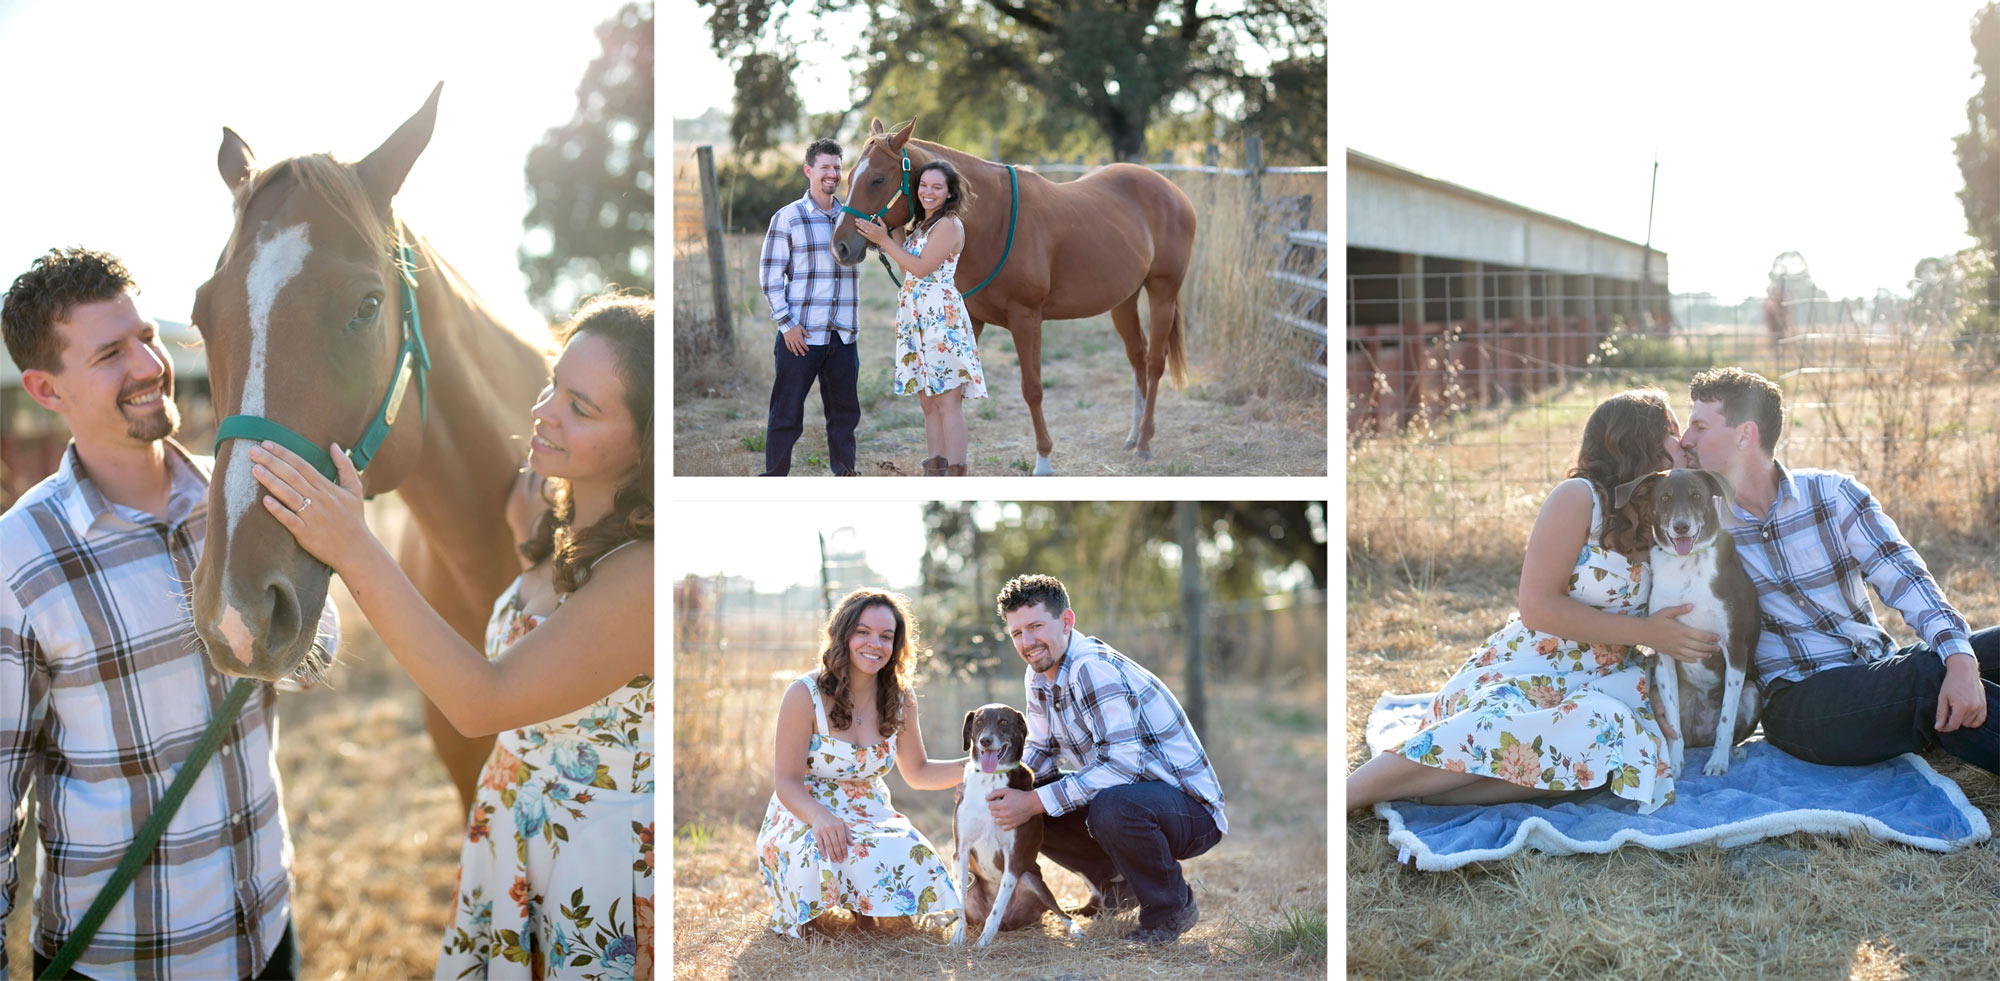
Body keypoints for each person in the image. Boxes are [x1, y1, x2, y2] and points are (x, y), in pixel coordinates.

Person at [246, 293, 655, 979]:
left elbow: (480, 701)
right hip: (519, 841)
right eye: (553, 385)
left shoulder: (640, 576)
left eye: (581, 408)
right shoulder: (560, 535)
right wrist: (533, 558)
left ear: (645, 444)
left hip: (593, 869)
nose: (543, 413)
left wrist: (355, 547)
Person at [0, 247, 339, 979]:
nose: (150, 364)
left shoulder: (240, 499)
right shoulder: (19, 562)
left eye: (146, 336)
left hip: (266, 934)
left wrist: (323, 547)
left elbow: (314, 662)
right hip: (127, 961)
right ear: (45, 389)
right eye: (111, 353)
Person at [1345, 389, 1718, 816]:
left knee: (1614, 743)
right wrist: (1647, 634)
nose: (1684, 440)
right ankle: (1343, 798)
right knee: (1495, 726)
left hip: (1607, 677)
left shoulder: (1666, 519)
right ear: (1641, 441)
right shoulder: (1580, 498)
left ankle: (1422, 791)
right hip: (1533, 665)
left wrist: (1655, 677)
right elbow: (1538, 606)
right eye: (1673, 430)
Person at [1676, 367, 2000, 774]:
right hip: (1798, 705)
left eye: (1699, 427)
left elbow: (1906, 579)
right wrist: (1676, 465)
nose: (1687, 440)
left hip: (1874, 668)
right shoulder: (1704, 528)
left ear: (1745, 435)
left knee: (1972, 653)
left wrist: (1961, 659)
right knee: (1927, 678)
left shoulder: (1833, 495)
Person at [982, 574, 1227, 945]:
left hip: (1191, 812)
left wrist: (1032, 800)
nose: (1027, 642)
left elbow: (1122, 766)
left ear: (1067, 621)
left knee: (1106, 806)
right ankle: (1116, 887)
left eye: (1036, 627)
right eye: (1017, 633)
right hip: (1136, 800)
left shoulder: (1090, 668)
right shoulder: (1038, 677)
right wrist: (993, 786)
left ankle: (1170, 909)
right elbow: (1042, 751)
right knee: (1032, 790)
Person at [755, 588, 963, 937]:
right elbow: (786, 781)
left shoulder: (900, 697)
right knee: (820, 850)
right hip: (805, 809)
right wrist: (821, 818)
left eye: (885, 636)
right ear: (844, 635)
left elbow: (919, 772)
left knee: (909, 850)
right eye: (863, 632)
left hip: (871, 811)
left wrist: (979, 767)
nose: (874, 644)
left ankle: (867, 908)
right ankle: (814, 912)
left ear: (896, 645)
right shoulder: (804, 694)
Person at [852, 159, 987, 476]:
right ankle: (934, 470)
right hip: (915, 318)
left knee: (948, 403)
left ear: (950, 193)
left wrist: (884, 240)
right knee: (928, 404)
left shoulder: (949, 225)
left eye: (937, 187)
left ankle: (955, 473)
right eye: (924, 185)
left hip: (940, 317)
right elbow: (907, 267)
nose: (928, 192)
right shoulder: (922, 226)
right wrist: (893, 231)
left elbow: (923, 268)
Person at [760, 137, 862, 477]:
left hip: (842, 336)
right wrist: (786, 325)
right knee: (786, 415)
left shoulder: (853, 218)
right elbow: (771, 277)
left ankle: (845, 474)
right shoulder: (788, 217)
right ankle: (774, 477)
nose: (832, 173)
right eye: (824, 167)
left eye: (837, 167)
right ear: (809, 171)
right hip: (800, 336)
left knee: (845, 415)